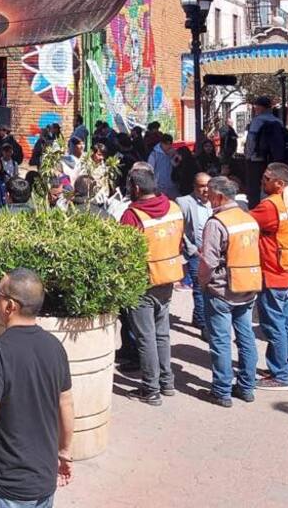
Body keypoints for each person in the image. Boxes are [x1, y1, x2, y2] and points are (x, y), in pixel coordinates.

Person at [0, 268, 74, 508]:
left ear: (10, 306)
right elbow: (66, 403)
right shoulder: (55, 347)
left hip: (3, 486)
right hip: (43, 482)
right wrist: (64, 452)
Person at [118, 168, 183, 405]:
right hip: (168, 277)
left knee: (145, 337)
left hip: (143, 282)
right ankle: (167, 382)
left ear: (135, 188)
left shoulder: (132, 215)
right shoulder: (175, 208)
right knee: (162, 334)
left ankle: (151, 389)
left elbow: (123, 252)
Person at [199, 176, 261, 407]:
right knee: (246, 337)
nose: (208, 198)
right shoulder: (248, 219)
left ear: (220, 196)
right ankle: (246, 387)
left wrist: (203, 283)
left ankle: (222, 391)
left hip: (222, 290)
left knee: (221, 341)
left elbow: (209, 261)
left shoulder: (217, 223)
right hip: (247, 286)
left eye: (210, 194)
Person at [249, 163, 288, 389]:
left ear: (279, 184)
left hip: (272, 272)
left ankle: (280, 375)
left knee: (273, 326)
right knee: (286, 324)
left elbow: (246, 222)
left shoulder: (270, 207)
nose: (262, 182)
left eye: (266, 179)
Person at [174, 173, 212, 327]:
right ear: (194, 187)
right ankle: (203, 325)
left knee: (211, 287)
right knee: (199, 287)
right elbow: (179, 228)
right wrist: (192, 249)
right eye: (201, 186)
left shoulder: (216, 200)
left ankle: (197, 316)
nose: (205, 190)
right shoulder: (184, 202)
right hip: (197, 252)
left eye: (208, 185)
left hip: (213, 252)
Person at [243, 96, 288, 206]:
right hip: (273, 160)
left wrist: (248, 156)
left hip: (256, 159)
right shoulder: (278, 122)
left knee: (253, 187)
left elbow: (251, 140)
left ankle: (254, 209)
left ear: (260, 107)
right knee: (272, 186)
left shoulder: (257, 121)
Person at [146, 134, 178, 199]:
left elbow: (175, 165)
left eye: (170, 144)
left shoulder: (172, 152)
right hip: (159, 186)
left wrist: (174, 155)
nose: (168, 146)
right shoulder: (154, 154)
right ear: (161, 143)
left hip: (171, 185)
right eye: (166, 144)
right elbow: (149, 169)